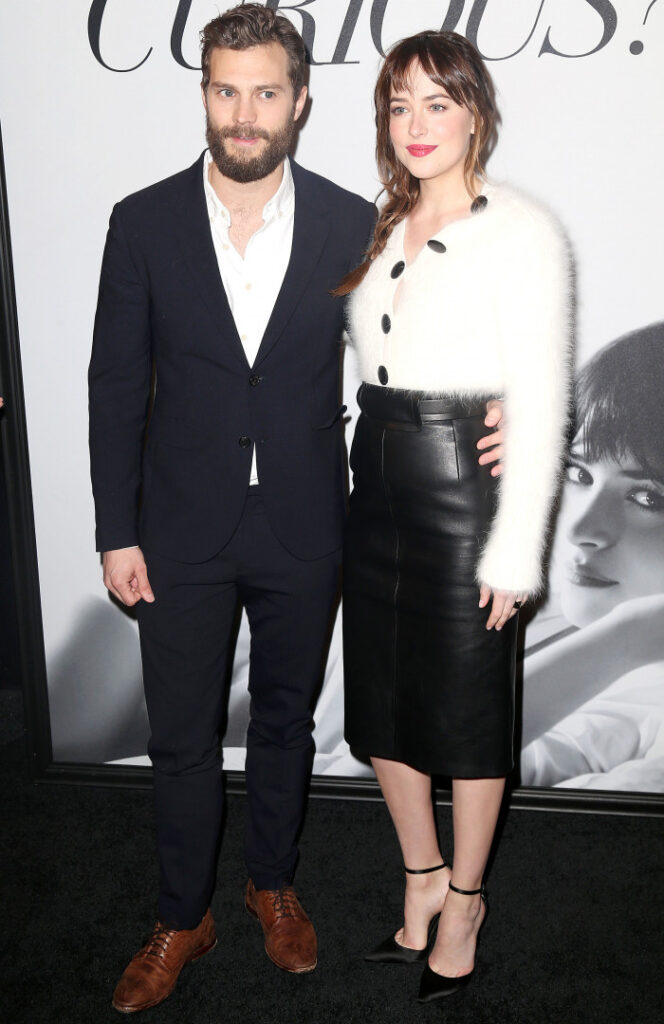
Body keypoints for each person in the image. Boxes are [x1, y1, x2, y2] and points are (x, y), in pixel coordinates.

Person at [89, 7, 504, 1013]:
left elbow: (422, 334)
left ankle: (272, 885)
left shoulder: (348, 221)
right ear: (204, 95)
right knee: (181, 738)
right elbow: (115, 385)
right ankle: (182, 914)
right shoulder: (141, 221)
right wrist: (114, 529)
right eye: (226, 90)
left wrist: (513, 400)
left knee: (284, 723)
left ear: (300, 100)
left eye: (265, 92)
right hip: (177, 528)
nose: (245, 113)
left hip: (307, 524)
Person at [338, 31, 571, 1001]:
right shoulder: (374, 224)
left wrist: (515, 551)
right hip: (375, 485)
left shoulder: (521, 228)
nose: (417, 123)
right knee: (380, 704)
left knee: (470, 715)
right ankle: (421, 875)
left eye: (438, 101)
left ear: (476, 112)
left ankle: (467, 900)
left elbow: (542, 395)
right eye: (399, 105)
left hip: (463, 494)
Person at [520, 323, 664, 791]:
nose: (580, 530)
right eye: (578, 474)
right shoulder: (549, 626)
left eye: (648, 498)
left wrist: (629, 639)